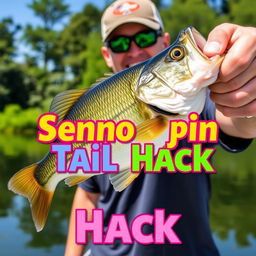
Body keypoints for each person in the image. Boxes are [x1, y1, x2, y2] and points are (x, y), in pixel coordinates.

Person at [65, 0, 256, 255]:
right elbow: (88, 195)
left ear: (165, 42)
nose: (134, 50)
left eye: (144, 37)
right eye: (120, 44)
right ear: (106, 55)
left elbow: (241, 122)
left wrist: (245, 91)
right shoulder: (94, 114)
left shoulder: (197, 105)